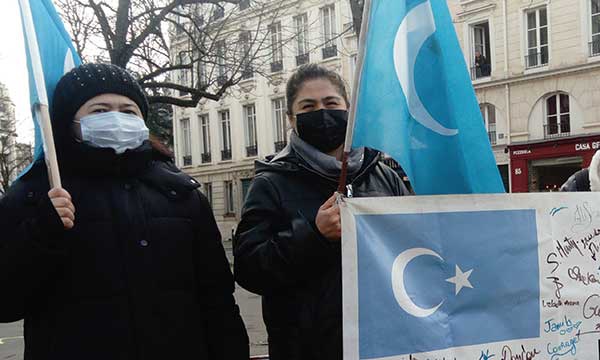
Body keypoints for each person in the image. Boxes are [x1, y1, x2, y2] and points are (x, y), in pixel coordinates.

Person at [0, 63, 249, 359]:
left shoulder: (181, 193)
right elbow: (7, 302)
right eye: (100, 110)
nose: (116, 118)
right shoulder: (34, 195)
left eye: (128, 111)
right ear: (68, 122)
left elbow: (217, 299)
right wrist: (41, 233)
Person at [233, 64, 409, 360]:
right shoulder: (270, 183)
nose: (323, 113)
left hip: (383, 342)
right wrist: (313, 236)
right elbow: (249, 269)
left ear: (348, 109)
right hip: (307, 349)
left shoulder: (382, 175)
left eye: (331, 103)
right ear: (291, 118)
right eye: (308, 106)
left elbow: (413, 244)